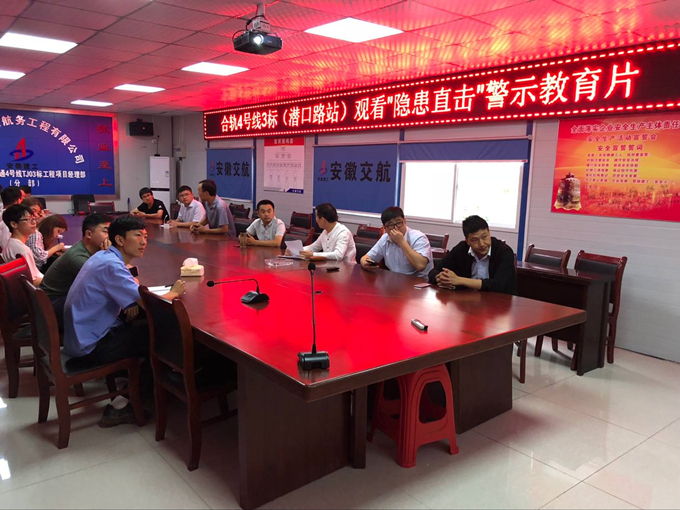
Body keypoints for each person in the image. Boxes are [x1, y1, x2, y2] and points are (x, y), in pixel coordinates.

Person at [63, 215, 185, 426]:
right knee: (158, 337)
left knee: (143, 326)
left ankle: (146, 384)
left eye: (145, 236)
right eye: (137, 236)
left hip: (82, 336)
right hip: (92, 346)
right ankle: (128, 403)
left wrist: (132, 301)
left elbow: (130, 290)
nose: (144, 242)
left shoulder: (104, 257)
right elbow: (152, 306)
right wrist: (174, 292)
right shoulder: (111, 266)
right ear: (119, 240)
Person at [40, 212, 112, 330]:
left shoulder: (87, 249)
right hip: (53, 306)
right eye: (106, 232)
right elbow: (108, 282)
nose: (110, 236)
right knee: (107, 302)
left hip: (58, 300)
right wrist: (109, 254)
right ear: (88, 234)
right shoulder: (78, 258)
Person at [428, 215, 517, 294]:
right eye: (475, 240)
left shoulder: (504, 251)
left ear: (489, 233)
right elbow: (434, 271)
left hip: (499, 302)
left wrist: (459, 280)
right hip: (467, 301)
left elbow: (498, 285)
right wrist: (440, 278)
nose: (481, 244)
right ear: (467, 241)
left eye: (484, 237)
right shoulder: (461, 249)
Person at [360, 206, 433, 278]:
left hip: (419, 282)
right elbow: (365, 258)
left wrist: (401, 241)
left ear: (405, 221)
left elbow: (420, 265)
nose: (396, 228)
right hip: (396, 280)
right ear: (385, 228)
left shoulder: (419, 237)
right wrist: (364, 263)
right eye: (390, 225)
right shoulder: (385, 238)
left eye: (399, 223)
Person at [291, 203, 356, 263]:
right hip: (329, 266)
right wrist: (295, 250)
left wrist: (313, 255)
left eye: (316, 217)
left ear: (322, 219)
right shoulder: (325, 231)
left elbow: (338, 255)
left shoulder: (343, 233)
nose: (316, 220)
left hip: (346, 268)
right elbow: (313, 247)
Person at [1, 204, 43, 284]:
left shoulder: (13, 244)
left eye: (33, 219)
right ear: (14, 224)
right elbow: (32, 282)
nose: (34, 222)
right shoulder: (22, 250)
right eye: (28, 219)